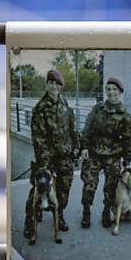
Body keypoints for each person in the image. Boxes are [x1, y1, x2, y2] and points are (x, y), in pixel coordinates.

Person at [80, 77, 131, 228]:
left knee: (110, 188)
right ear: (106, 91)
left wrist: (127, 160)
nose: (111, 93)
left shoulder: (125, 116)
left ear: (120, 92)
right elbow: (87, 129)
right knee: (89, 185)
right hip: (94, 154)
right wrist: (84, 147)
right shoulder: (98, 109)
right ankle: (86, 212)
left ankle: (106, 212)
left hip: (113, 156)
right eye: (109, 89)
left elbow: (128, 140)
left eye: (114, 90)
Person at [27, 69, 78, 234]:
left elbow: (72, 127)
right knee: (38, 189)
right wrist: (44, 163)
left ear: (61, 87)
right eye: (51, 83)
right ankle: (31, 219)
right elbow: (38, 138)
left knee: (65, 188)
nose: (54, 86)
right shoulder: (40, 108)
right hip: (47, 158)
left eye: (57, 84)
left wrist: (76, 146)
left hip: (65, 155)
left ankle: (60, 214)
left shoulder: (64, 102)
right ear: (46, 85)